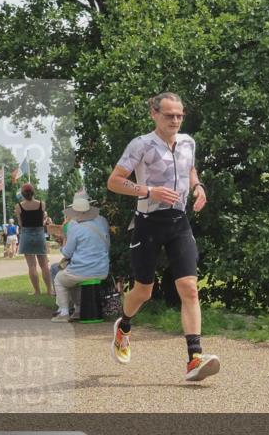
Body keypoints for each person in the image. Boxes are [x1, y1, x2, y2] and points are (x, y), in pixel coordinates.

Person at [106, 91, 217, 381]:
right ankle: (124, 325)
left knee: (190, 288)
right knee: (144, 290)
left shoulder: (188, 142)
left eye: (180, 115)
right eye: (169, 115)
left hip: (179, 223)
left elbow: (190, 168)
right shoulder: (141, 145)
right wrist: (148, 191)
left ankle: (194, 359)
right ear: (154, 114)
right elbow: (114, 181)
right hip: (148, 224)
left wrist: (198, 186)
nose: (176, 120)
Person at [51, 192, 110, 323]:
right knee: (71, 277)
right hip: (102, 269)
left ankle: (64, 312)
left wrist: (62, 244)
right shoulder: (102, 220)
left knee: (60, 279)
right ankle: (78, 309)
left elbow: (67, 253)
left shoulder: (74, 225)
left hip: (83, 270)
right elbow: (107, 245)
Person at [15, 183, 53, 295]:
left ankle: (37, 291)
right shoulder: (42, 204)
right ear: (33, 192)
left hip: (26, 234)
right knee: (44, 264)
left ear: (22, 194)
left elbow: (20, 223)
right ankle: (49, 290)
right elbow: (42, 220)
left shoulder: (19, 206)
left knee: (32, 266)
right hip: (39, 233)